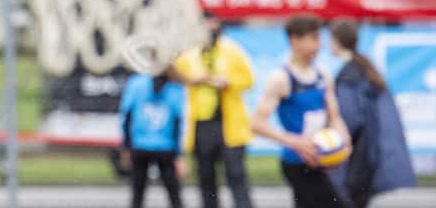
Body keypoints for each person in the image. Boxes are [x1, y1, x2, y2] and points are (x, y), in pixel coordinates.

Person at [250, 14, 351, 208]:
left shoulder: (323, 75)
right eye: (313, 39)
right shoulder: (281, 78)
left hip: (322, 158)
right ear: (294, 40)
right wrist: (295, 142)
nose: (319, 46)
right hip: (296, 162)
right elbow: (256, 124)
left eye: (320, 39)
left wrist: (343, 138)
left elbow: (335, 117)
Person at [329, 20, 414, 208]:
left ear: (336, 41)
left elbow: (349, 118)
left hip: (358, 153)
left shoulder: (349, 74)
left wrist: (333, 137)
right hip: (370, 150)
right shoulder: (364, 67)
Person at [174, 11, 255, 208]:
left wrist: (228, 82)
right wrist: (194, 80)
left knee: (236, 175)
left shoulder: (232, 51)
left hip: (228, 123)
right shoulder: (189, 54)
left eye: (213, 24)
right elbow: (175, 75)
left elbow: (248, 79)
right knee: (206, 176)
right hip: (201, 124)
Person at [119, 65, 187, 208]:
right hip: (164, 146)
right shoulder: (175, 87)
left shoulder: (136, 83)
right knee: (174, 194)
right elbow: (178, 123)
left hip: (141, 144)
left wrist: (126, 146)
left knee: (138, 193)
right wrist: (178, 155)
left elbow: (126, 117)